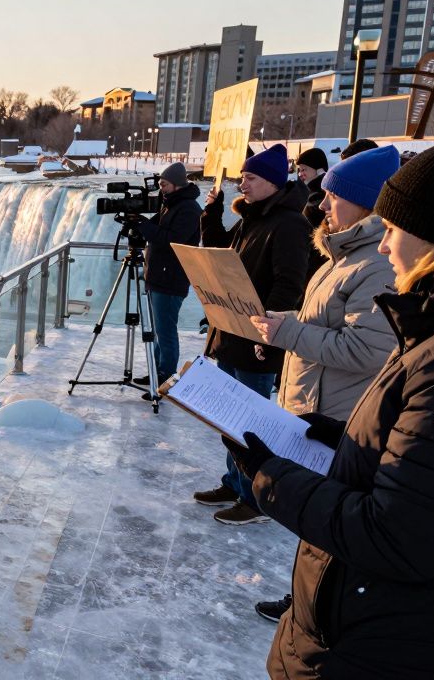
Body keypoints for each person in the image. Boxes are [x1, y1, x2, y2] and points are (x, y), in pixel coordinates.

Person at [223, 143, 434, 677]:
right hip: (353, 620)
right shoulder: (408, 310)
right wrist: (343, 437)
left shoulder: (420, 332)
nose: (388, 245)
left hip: (370, 640)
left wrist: (272, 478)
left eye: (396, 227)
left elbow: (394, 533)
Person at [245, 145, 400, 624]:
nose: (323, 204)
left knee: (327, 521)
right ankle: (305, 599)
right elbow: (324, 322)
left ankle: (315, 607)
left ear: (365, 203)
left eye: (334, 196)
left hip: (338, 414)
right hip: (315, 403)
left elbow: (366, 350)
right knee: (314, 520)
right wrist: (282, 324)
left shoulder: (375, 264)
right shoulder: (343, 254)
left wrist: (289, 333)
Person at [193, 144, 312, 525]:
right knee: (230, 417)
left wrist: (268, 332)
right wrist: (211, 211)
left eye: (251, 177)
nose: (242, 182)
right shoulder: (252, 219)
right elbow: (218, 253)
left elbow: (289, 282)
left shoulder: (290, 224)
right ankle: (235, 482)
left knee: (252, 422)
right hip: (232, 330)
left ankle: (255, 497)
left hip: (258, 338)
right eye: (243, 176)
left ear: (273, 183)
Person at [132, 161, 201, 395]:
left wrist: (145, 227)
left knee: (166, 331)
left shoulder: (189, 208)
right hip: (159, 276)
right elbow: (159, 230)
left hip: (171, 279)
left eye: (164, 184)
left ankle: (167, 378)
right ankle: (156, 370)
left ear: (177, 184)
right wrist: (140, 222)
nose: (161, 188)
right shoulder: (170, 204)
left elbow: (173, 240)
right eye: (160, 184)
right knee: (160, 330)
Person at [295, 148, 329, 287]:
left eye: (304, 169)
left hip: (315, 259)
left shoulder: (319, 194)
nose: (300, 173)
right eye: (299, 170)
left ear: (319, 169)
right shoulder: (309, 192)